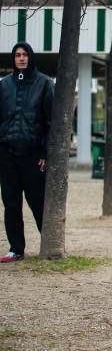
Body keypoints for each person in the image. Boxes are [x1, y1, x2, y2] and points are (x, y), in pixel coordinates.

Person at [0, 42, 54, 263]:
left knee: (37, 202)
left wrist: (45, 153)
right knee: (11, 204)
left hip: (33, 155)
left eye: (24, 55)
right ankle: (16, 249)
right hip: (7, 154)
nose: (21, 58)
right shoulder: (4, 85)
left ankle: (48, 245)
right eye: (17, 55)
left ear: (31, 57)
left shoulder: (44, 83)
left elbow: (51, 122)